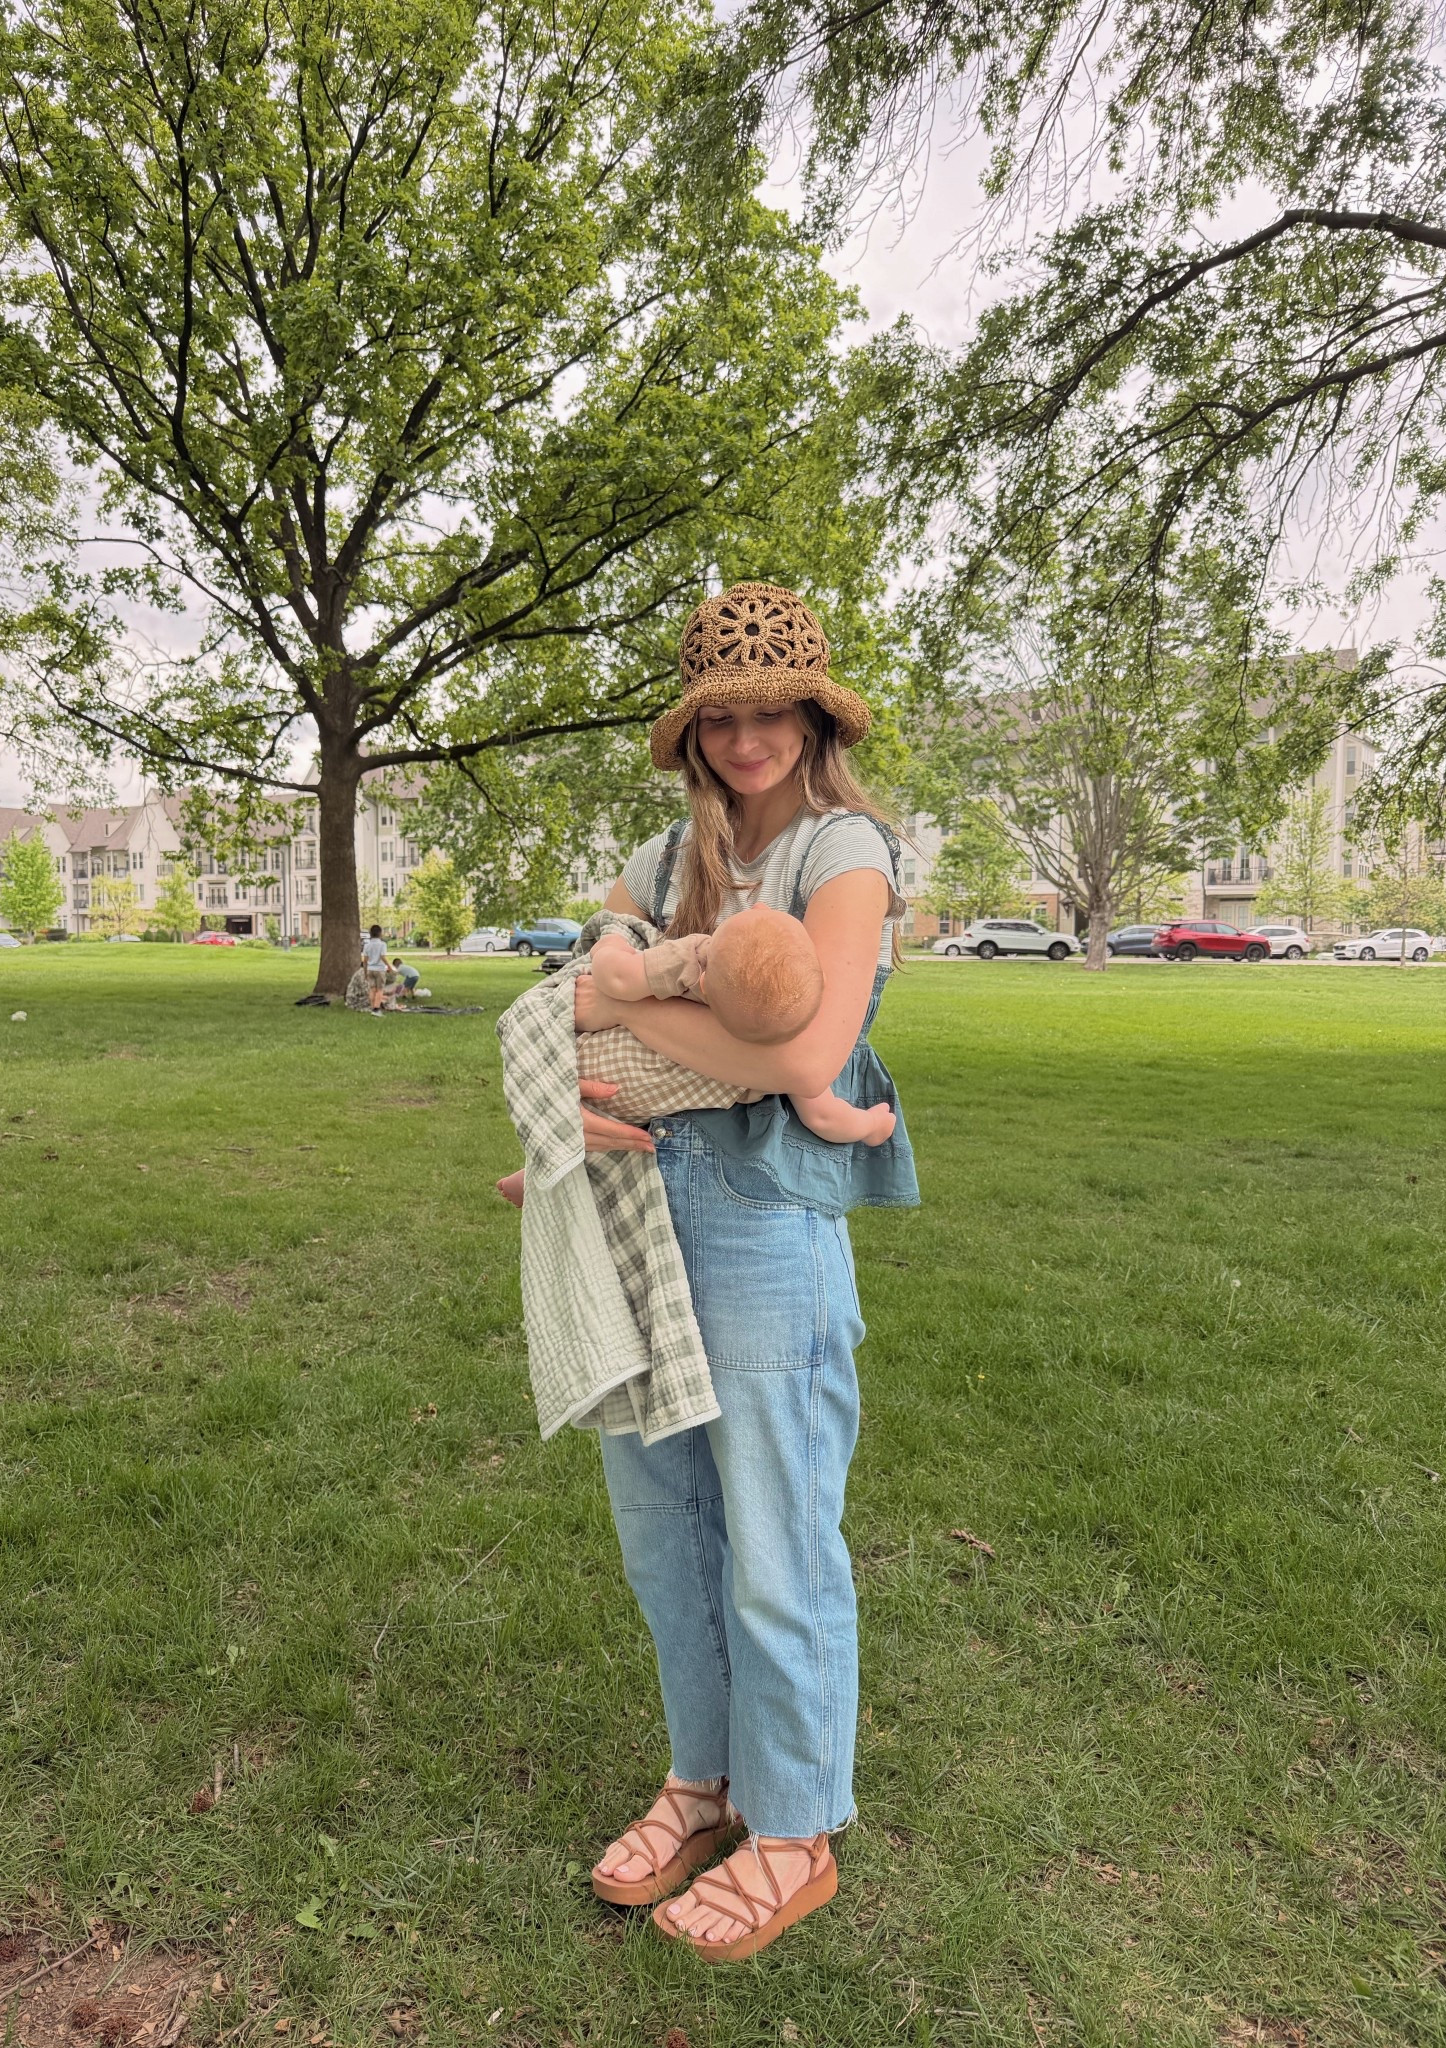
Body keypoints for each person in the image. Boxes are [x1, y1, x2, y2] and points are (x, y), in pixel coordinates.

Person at [559, 582, 920, 1960]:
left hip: (764, 1219)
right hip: (635, 1203)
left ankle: (793, 1829)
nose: (749, 734)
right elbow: (564, 1001)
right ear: (695, 730)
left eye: (773, 708)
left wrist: (629, 1002)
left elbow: (807, 1063)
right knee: (668, 1533)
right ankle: (702, 1785)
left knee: (775, 1538)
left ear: (811, 717)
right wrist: (606, 1018)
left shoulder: (846, 850)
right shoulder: (665, 862)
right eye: (724, 713)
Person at [493, 904, 896, 1207]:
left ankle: (537, 1172)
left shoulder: (687, 962)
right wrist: (870, 1125)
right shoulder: (769, 1062)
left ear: (703, 978)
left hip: (601, 1062)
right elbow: (826, 1117)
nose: (757, 905)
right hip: (644, 1102)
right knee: (622, 1145)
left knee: (598, 1129)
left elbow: (614, 977)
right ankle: (536, 1179)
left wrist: (612, 940)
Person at [360, 924, 388, 1013]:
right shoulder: (382, 944)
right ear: (380, 933)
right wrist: (390, 967)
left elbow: (365, 960)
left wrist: (365, 972)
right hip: (379, 969)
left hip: (370, 969)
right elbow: (383, 957)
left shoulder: (367, 945)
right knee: (380, 989)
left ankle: (372, 1007)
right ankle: (376, 1008)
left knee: (372, 989)